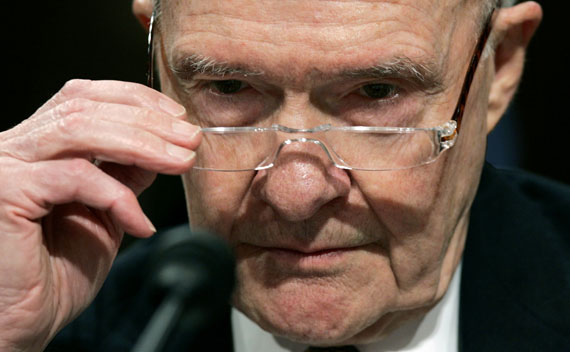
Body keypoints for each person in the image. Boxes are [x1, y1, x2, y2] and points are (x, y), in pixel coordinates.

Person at [0, 0, 568, 351]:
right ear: (160, 62)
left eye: (375, 94)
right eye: (229, 89)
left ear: (500, 66)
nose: (296, 194)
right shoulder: (64, 331)